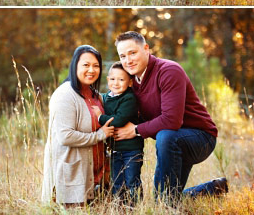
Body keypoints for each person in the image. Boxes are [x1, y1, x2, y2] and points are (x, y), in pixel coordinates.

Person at [112, 31, 228, 200]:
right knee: (170, 196)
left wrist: (135, 130)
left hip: (200, 137)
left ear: (146, 49)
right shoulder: (129, 80)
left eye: (132, 53)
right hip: (172, 140)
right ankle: (213, 188)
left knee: (166, 137)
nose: (128, 60)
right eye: (122, 56)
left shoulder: (169, 71)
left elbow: (172, 120)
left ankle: (163, 206)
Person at [41, 45, 115, 206]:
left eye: (96, 66)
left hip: (98, 176)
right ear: (75, 65)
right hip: (73, 178)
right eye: (86, 65)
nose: (91, 70)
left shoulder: (95, 95)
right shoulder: (64, 95)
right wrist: (100, 135)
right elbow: (65, 136)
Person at [93, 63, 143, 204]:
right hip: (115, 150)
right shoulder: (107, 97)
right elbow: (100, 97)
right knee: (116, 180)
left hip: (131, 150)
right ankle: (119, 206)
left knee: (132, 179)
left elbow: (119, 120)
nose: (116, 83)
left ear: (130, 82)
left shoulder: (129, 98)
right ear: (108, 80)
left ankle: (135, 207)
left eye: (121, 80)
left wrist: (100, 117)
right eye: (113, 79)